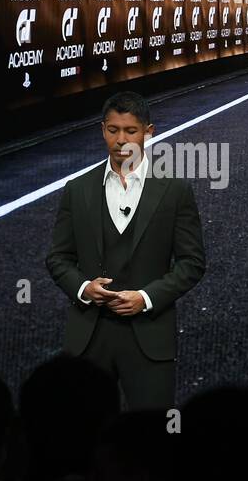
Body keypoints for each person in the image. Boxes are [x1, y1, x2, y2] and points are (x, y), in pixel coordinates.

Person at [45, 91, 205, 410]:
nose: (121, 140)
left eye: (130, 131)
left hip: (149, 336)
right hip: (88, 338)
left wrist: (145, 298)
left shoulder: (175, 191)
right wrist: (83, 288)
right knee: (81, 435)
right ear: (102, 130)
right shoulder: (77, 189)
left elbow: (192, 262)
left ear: (149, 132)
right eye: (113, 130)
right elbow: (58, 257)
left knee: (150, 439)